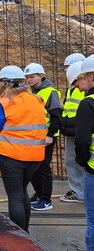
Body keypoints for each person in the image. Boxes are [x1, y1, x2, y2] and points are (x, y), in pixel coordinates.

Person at [0, 65, 46, 232]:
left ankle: (19, 238)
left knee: (15, 196)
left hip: (12, 156)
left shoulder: (3, 103)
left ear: (5, 83)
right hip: (35, 156)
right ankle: (25, 233)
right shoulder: (37, 100)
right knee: (22, 192)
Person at [24, 62, 62, 211]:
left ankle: (46, 200)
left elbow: (56, 116)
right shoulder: (32, 92)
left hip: (46, 136)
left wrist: (50, 135)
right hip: (35, 135)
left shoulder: (49, 92)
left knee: (43, 168)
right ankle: (39, 194)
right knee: (34, 166)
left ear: (41, 76)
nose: (29, 80)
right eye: (27, 77)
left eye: (32, 77)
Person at [73, 56, 94, 250]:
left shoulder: (88, 103)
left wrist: (83, 161)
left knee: (93, 222)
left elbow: (82, 140)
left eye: (82, 78)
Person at [60, 53, 86, 204]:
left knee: (81, 161)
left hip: (79, 129)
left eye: (68, 68)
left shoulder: (83, 88)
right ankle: (77, 190)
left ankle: (81, 191)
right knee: (71, 160)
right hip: (70, 129)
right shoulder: (72, 87)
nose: (66, 71)